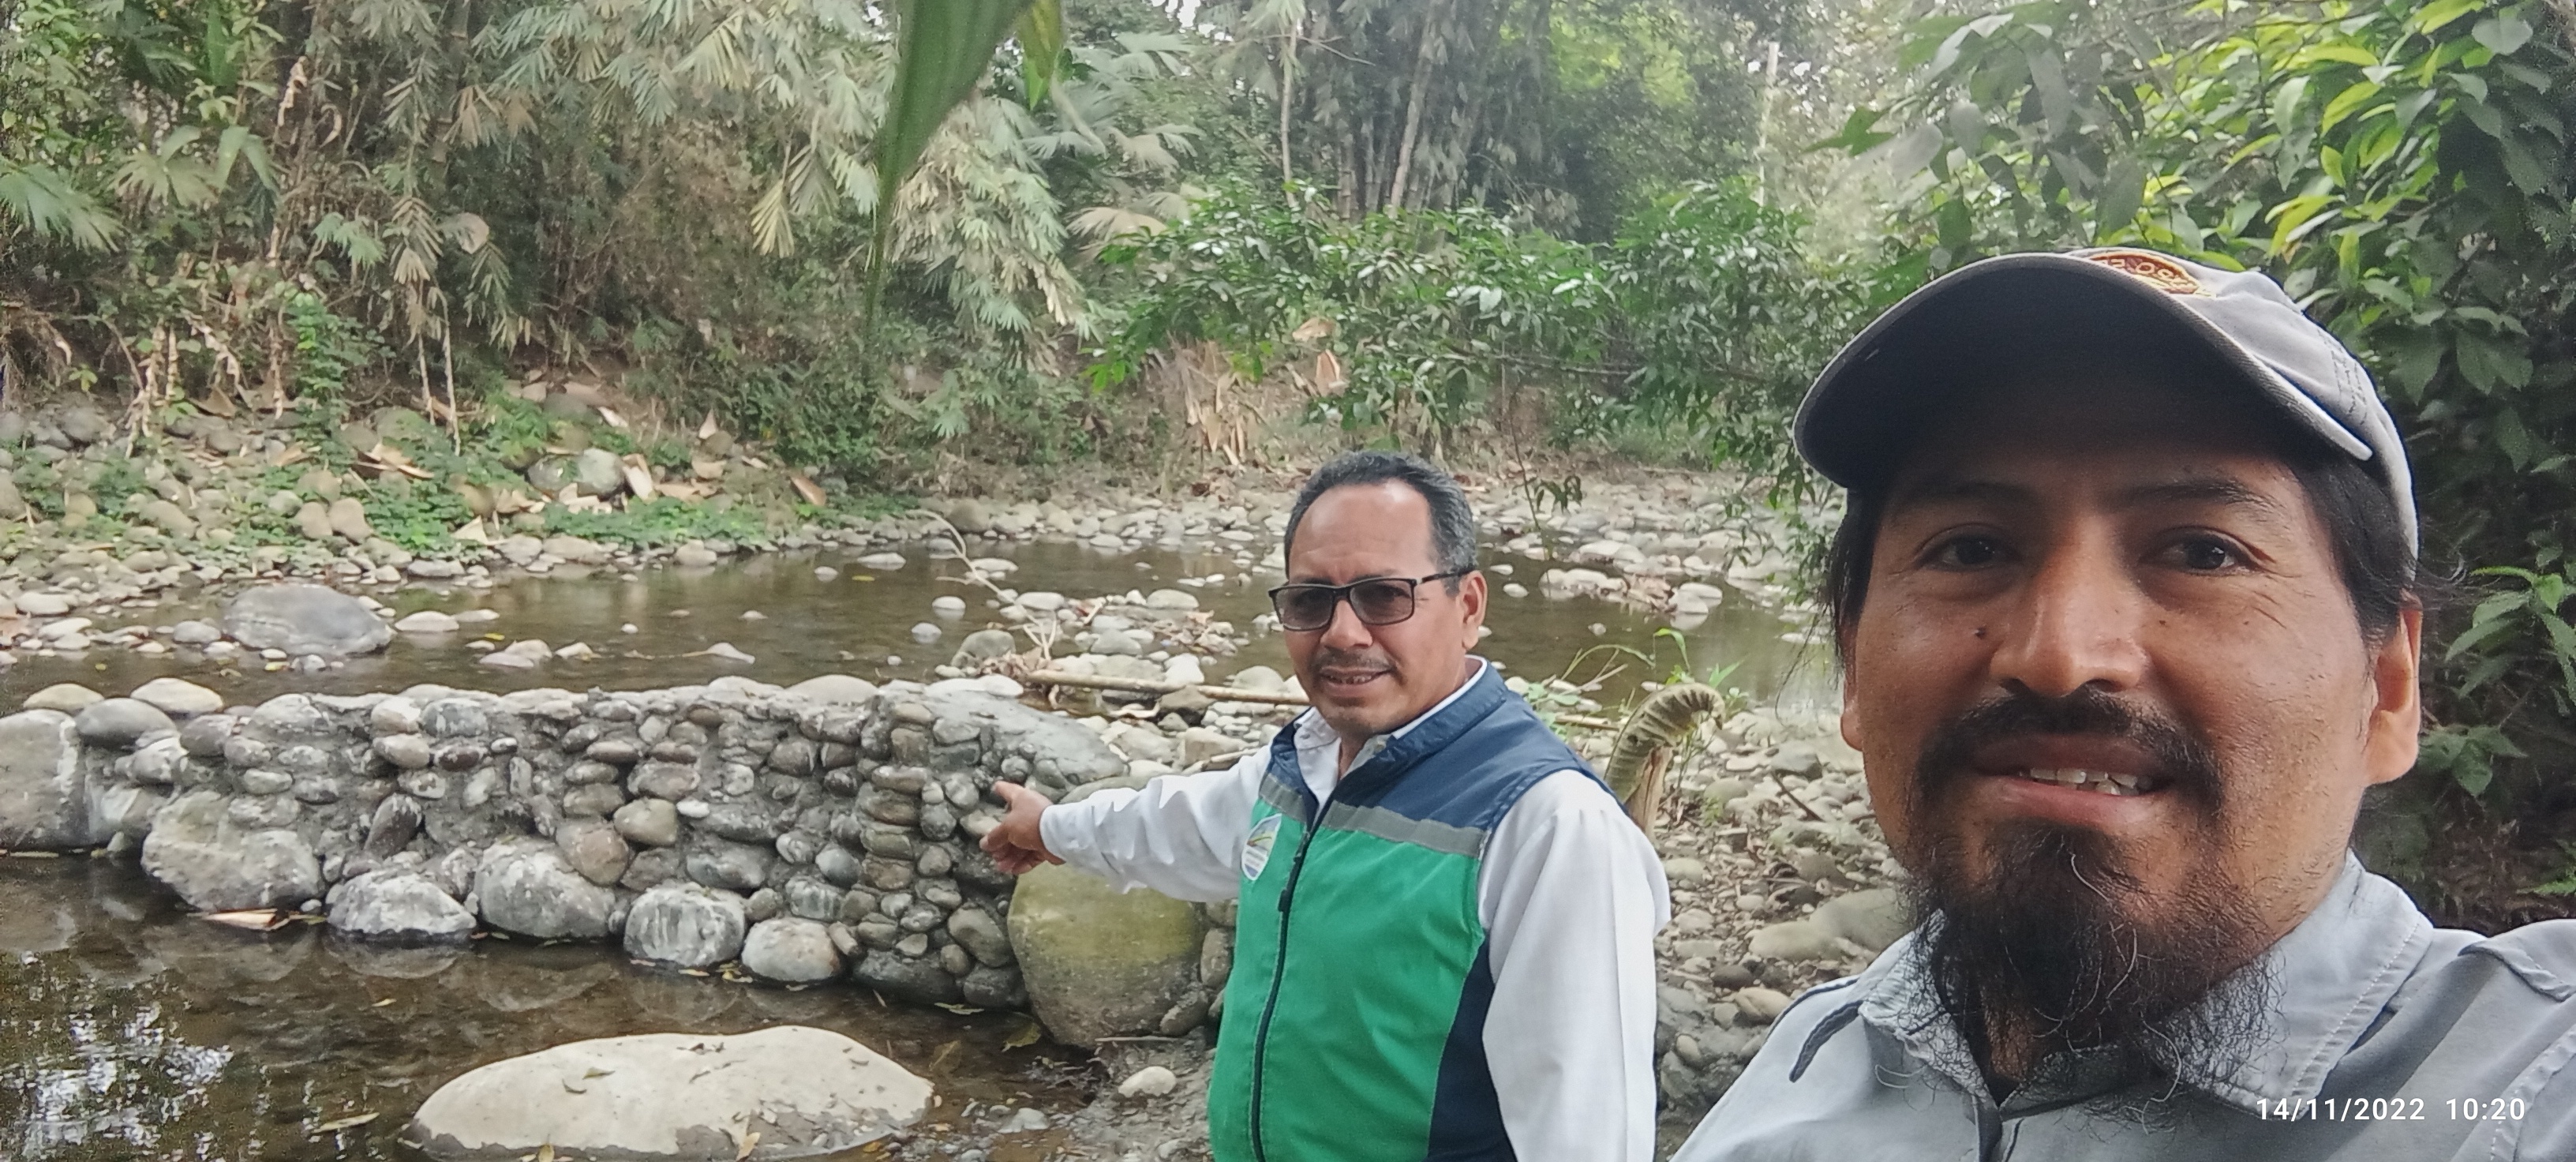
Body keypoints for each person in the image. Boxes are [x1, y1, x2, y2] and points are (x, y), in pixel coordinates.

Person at [1672, 248, 2576, 1160]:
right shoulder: (1801, 1072)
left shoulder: (2529, 1092)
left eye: (2203, 552)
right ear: (1854, 671)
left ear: (2387, 686)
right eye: (1970, 548)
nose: (2059, 656)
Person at [981, 450, 1669, 1161]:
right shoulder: (1305, 766)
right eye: (1311, 601)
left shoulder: (1551, 827)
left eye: (1385, 596)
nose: (1343, 633)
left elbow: (1588, 1133)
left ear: (1468, 607)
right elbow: (1178, 825)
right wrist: (1051, 827)